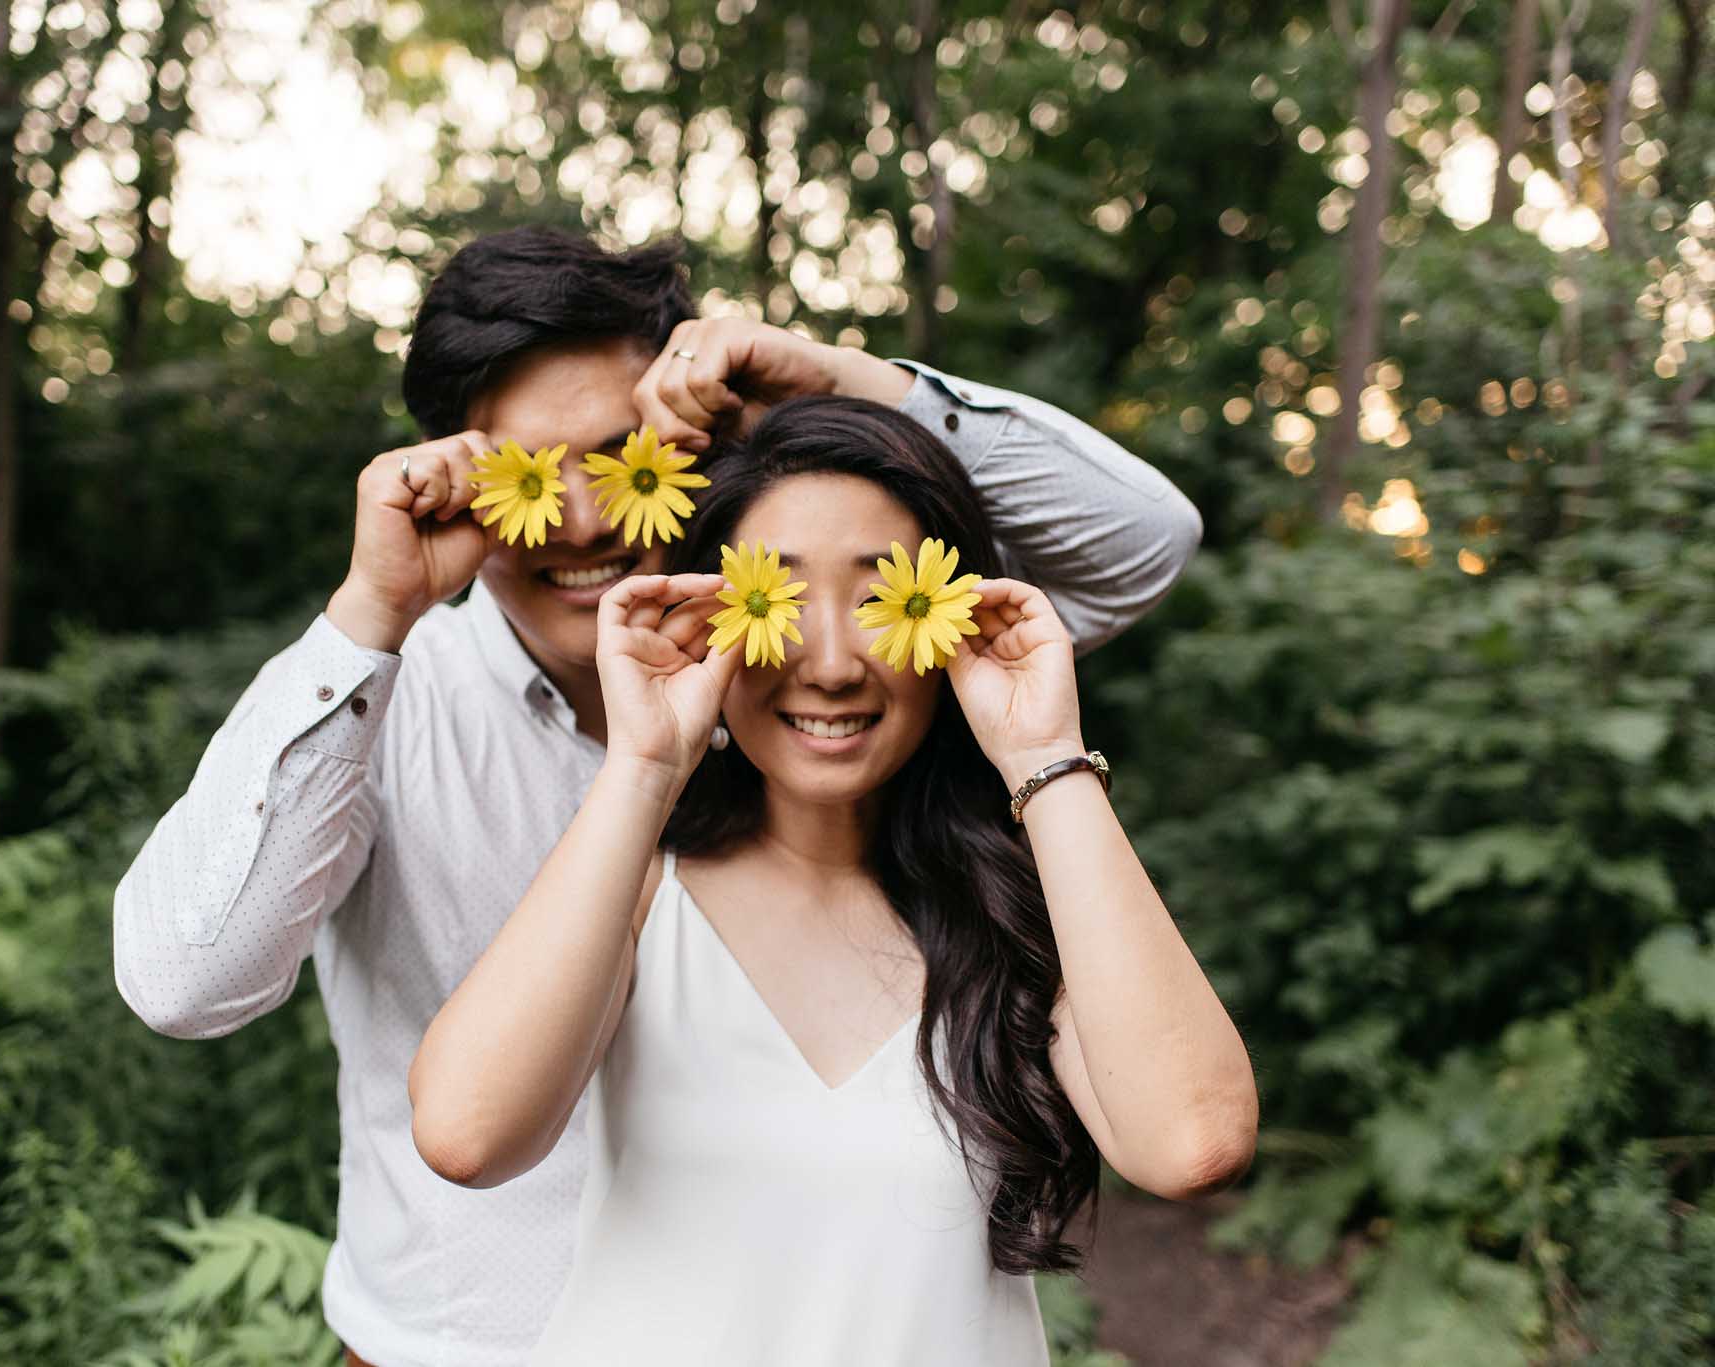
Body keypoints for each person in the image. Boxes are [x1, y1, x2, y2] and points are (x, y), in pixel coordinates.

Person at [112, 226, 1205, 1367]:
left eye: (622, 457)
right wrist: (366, 619)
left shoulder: (815, 702)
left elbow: (1139, 545)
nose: (583, 520)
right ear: (448, 475)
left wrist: (844, 381)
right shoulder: (386, 700)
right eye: (527, 476)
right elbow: (185, 981)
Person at [408, 397, 1258, 1364]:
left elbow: (1193, 1143)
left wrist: (1043, 754)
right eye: (771, 598)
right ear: (706, 618)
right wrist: (644, 766)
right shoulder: (639, 887)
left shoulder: (1025, 907)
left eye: (877, 597)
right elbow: (466, 1133)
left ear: (950, 619)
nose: (831, 662)